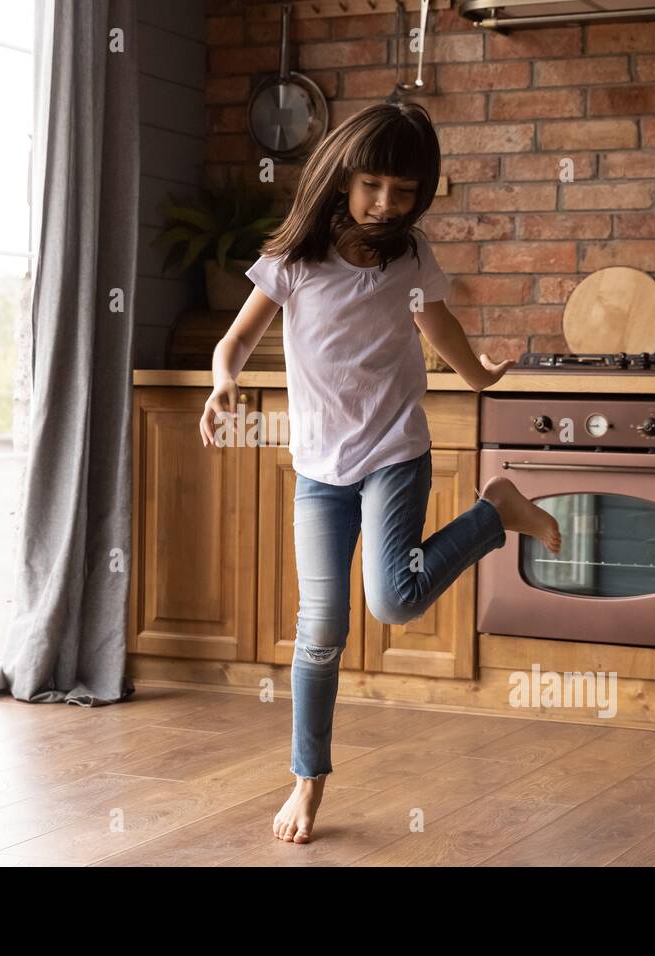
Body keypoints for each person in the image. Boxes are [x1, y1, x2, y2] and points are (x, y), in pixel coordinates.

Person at [197, 102, 561, 844]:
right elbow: (233, 343)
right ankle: (308, 782)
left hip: (396, 453)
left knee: (394, 603)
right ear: (341, 178)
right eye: (372, 186)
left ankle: (497, 511)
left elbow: (439, 326)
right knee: (321, 626)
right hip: (320, 469)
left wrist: (481, 376)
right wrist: (223, 381)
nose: (386, 204)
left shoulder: (410, 256)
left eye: (403, 191)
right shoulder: (294, 259)